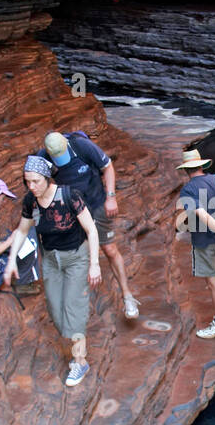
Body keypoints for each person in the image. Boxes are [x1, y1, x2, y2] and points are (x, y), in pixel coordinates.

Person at [0, 155, 101, 387]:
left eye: (35, 181)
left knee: (71, 307)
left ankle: (80, 361)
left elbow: (91, 230)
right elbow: (22, 230)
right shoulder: (30, 201)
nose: (31, 186)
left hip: (76, 256)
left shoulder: (69, 196)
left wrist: (94, 264)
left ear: (47, 179)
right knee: (56, 310)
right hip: (51, 260)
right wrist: (11, 261)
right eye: (27, 182)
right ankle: (76, 332)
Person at [37, 130, 140, 319]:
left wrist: (111, 197)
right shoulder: (42, 157)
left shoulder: (82, 146)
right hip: (71, 208)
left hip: (95, 201)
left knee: (109, 249)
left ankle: (127, 296)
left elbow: (108, 167)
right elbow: (36, 183)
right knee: (77, 252)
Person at [174, 149, 215, 339]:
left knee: (213, 281)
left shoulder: (188, 190)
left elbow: (201, 213)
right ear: (201, 165)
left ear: (186, 170)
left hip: (206, 239)